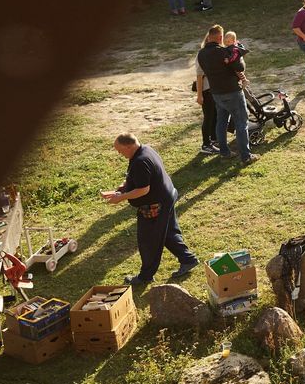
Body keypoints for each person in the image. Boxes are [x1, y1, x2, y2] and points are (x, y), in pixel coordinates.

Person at [103, 133, 196, 287]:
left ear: (128, 146)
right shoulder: (145, 150)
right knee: (167, 232)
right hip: (167, 197)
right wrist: (123, 188)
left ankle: (145, 276)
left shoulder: (141, 161)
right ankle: (188, 260)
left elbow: (143, 189)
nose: (119, 154)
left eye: (120, 151)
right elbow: (137, 177)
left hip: (155, 205)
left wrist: (121, 197)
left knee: (148, 240)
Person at [196, 23, 254, 162]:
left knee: (221, 122)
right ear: (221, 37)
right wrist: (238, 54)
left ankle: (224, 152)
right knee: (241, 122)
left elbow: (202, 73)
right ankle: (246, 156)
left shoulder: (201, 54)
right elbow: (239, 67)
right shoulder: (224, 52)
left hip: (216, 93)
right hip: (232, 91)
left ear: (209, 37)